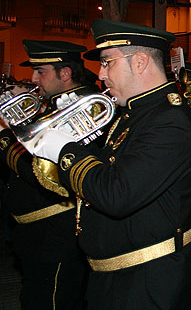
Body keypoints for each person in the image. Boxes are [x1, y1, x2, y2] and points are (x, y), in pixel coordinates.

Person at [27, 20, 191, 310]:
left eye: (108, 63)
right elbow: (107, 171)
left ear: (141, 62)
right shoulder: (132, 113)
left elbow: (116, 194)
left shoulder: (170, 120)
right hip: (116, 273)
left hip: (147, 279)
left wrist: (67, 151)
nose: (100, 73)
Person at [0, 40, 96, 310]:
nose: (33, 79)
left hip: (56, 233)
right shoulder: (54, 105)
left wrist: (5, 136)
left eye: (40, 71)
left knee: (51, 301)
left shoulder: (84, 109)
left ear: (65, 73)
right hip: (38, 233)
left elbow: (40, 172)